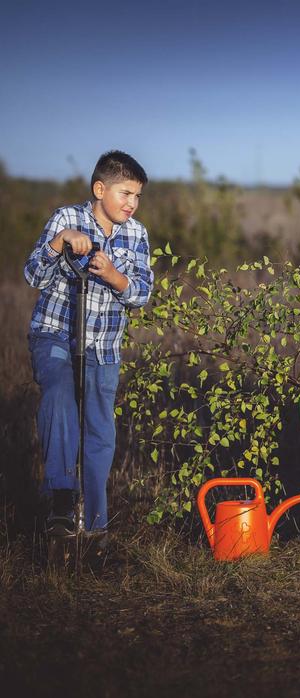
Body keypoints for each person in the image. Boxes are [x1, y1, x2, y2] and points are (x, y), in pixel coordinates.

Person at [24, 150, 153, 536]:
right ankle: (63, 501)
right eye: (125, 193)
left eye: (137, 196)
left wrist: (114, 276)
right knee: (60, 396)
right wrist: (60, 242)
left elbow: (142, 292)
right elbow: (33, 274)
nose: (131, 203)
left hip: (104, 347)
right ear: (100, 189)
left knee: (100, 430)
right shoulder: (68, 218)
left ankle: (95, 526)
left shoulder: (137, 234)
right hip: (56, 333)